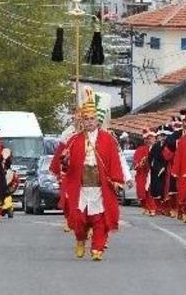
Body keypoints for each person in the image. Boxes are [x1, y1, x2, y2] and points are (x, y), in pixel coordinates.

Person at [59, 93, 124, 261]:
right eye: (86, 118)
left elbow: (114, 161)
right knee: (79, 219)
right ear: (82, 120)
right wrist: (65, 160)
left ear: (97, 120)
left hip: (100, 185)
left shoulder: (108, 139)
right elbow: (65, 166)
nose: (89, 121)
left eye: (92, 118)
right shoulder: (74, 140)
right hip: (81, 186)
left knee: (99, 219)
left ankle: (97, 248)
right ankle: (80, 239)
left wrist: (117, 180)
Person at [133, 128, 156, 215]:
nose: (150, 140)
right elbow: (136, 162)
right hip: (143, 173)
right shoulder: (140, 149)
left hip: (154, 172)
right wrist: (142, 162)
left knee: (151, 190)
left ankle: (152, 208)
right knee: (143, 191)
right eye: (148, 138)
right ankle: (146, 207)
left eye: (152, 138)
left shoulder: (158, 148)